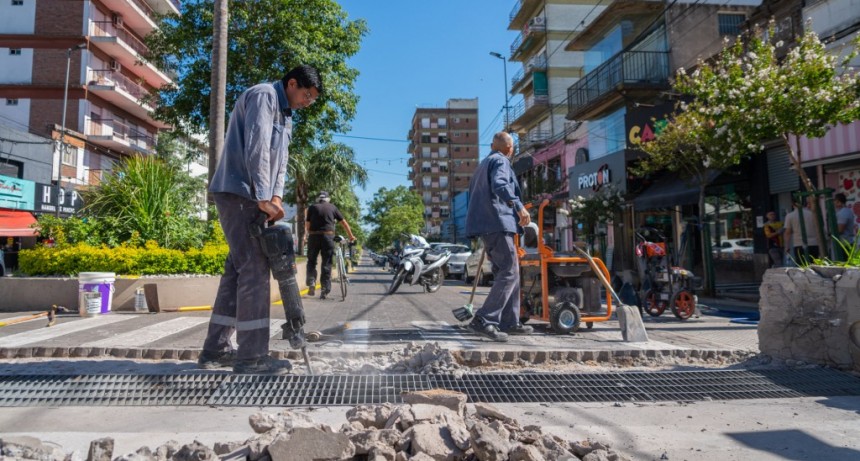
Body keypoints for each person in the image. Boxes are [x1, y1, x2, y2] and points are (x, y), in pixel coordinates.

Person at [199, 65, 322, 374]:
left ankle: (216, 349)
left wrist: (276, 197)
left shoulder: (287, 115)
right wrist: (264, 197)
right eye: (306, 95)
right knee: (254, 270)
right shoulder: (264, 96)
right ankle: (252, 357)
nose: (307, 103)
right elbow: (258, 149)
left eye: (311, 99)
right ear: (292, 83)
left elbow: (281, 162)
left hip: (255, 197)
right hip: (240, 193)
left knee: (237, 270)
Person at [464, 132, 533, 342]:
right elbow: (501, 184)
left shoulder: (483, 165)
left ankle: (509, 321)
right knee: (510, 271)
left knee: (509, 271)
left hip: (487, 225)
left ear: (492, 146)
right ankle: (484, 319)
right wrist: (519, 206)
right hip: (498, 223)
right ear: (510, 149)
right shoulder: (501, 161)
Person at [304, 191, 356, 299]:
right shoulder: (332, 207)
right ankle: (324, 289)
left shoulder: (312, 207)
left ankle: (311, 281)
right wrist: (351, 236)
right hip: (328, 237)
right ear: (328, 199)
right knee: (326, 263)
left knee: (311, 261)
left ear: (318, 199)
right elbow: (343, 222)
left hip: (313, 236)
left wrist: (308, 235)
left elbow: (307, 224)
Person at [783, 196, 819, 265]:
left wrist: (787, 246)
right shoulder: (812, 214)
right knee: (814, 266)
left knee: (802, 266)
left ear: (792, 203)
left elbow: (788, 232)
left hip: (799, 244)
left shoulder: (790, 216)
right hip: (814, 243)